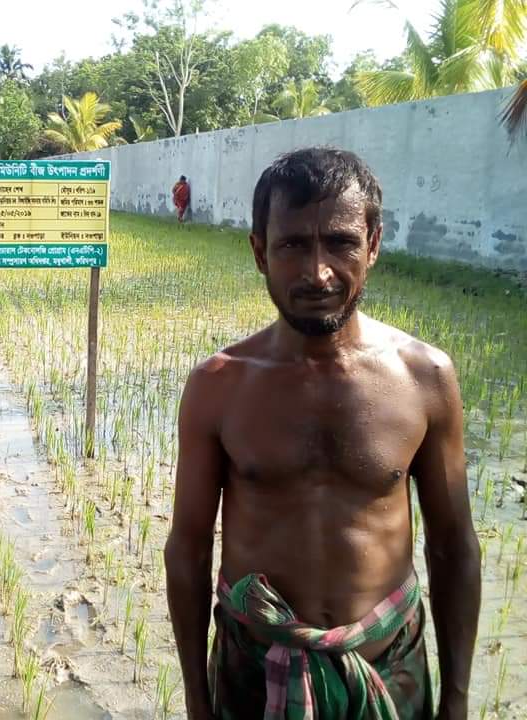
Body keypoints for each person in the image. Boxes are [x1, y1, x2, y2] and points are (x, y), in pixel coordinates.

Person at [165, 147, 480, 720]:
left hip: (389, 666)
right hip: (254, 672)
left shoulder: (426, 378)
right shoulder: (219, 386)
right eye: (292, 245)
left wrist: (456, 697)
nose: (318, 272)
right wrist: (196, 697)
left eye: (340, 242)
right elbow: (187, 548)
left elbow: (454, 545)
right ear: (259, 251)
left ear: (374, 244)